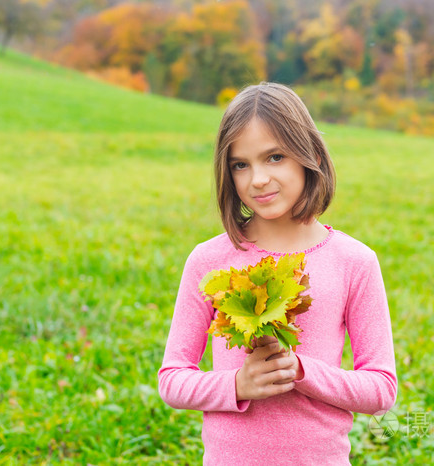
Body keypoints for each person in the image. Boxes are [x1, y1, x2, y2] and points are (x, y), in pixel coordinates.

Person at [157, 82, 397, 465]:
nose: (258, 180)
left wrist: (301, 371)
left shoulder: (354, 261)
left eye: (274, 157)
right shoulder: (209, 260)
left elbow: (382, 388)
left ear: (309, 155)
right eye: (241, 164)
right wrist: (238, 384)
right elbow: (172, 379)